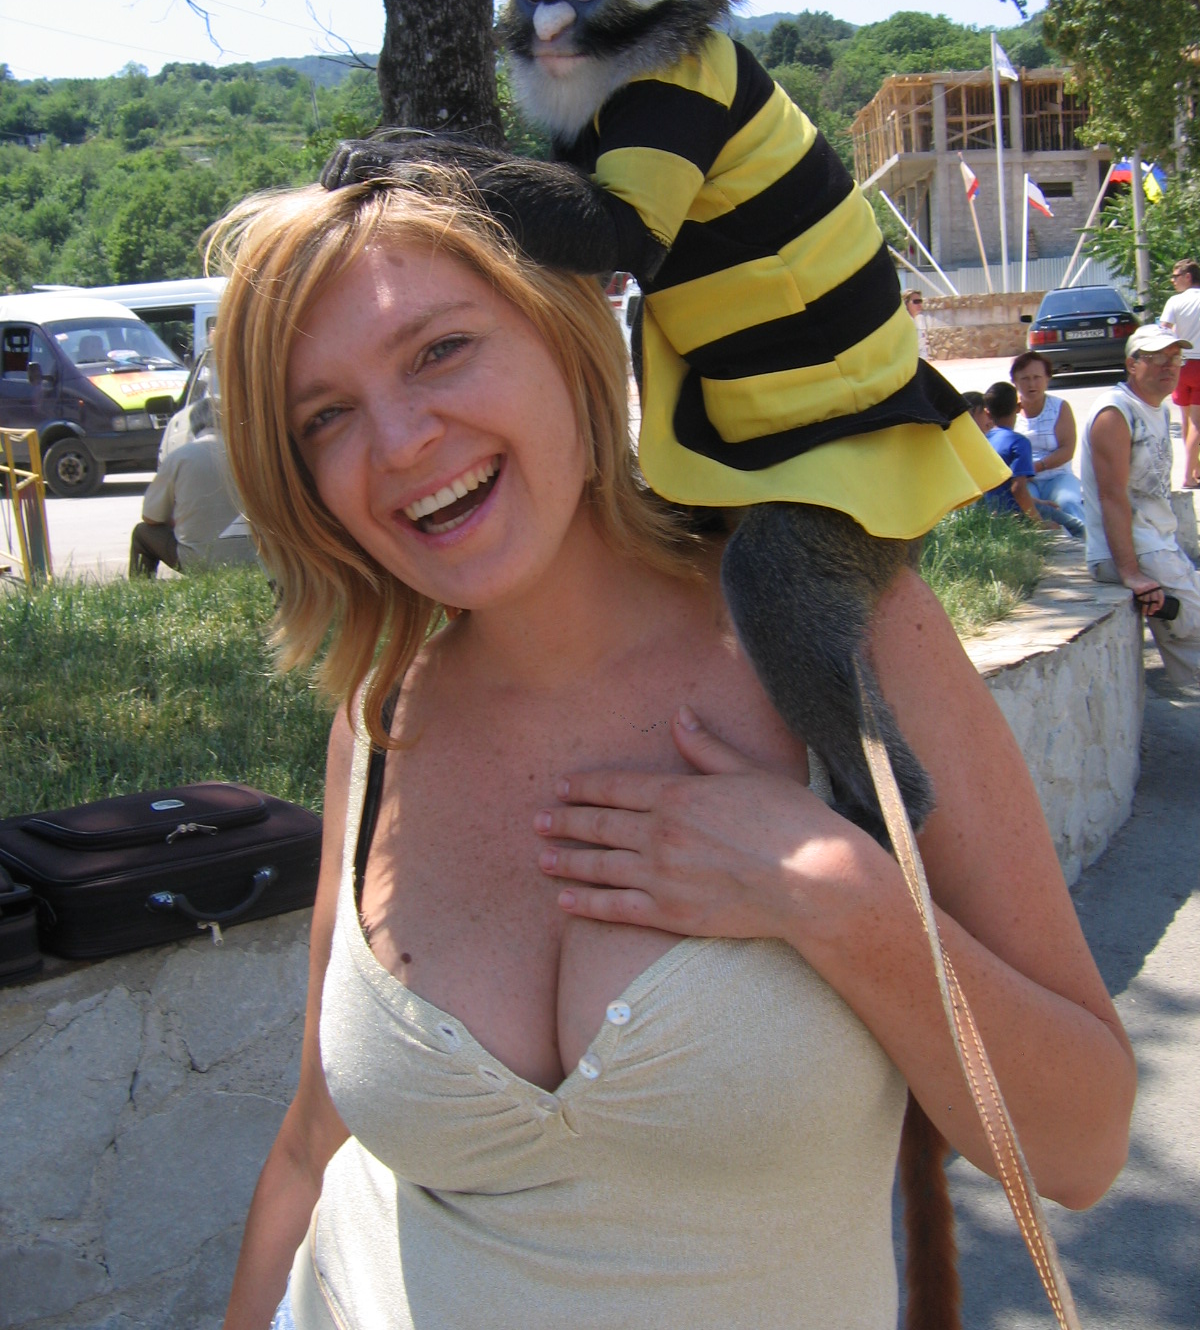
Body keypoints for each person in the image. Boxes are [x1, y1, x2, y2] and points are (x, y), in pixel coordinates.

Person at [210, 170, 1133, 1330]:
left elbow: (1084, 1146)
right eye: (326, 416)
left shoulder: (846, 637)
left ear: (569, 335)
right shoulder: (378, 721)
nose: (398, 444)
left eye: (440, 350)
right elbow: (312, 1145)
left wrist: (844, 903)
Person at [1081, 323, 1200, 685]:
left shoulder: (1157, 409)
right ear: (1132, 364)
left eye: (1176, 358)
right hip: (1136, 553)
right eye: (1158, 358)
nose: (1170, 366)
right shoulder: (1115, 413)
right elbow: (1112, 496)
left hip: (1159, 546)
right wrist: (1131, 573)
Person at [128, 398, 256, 577]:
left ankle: (142, 585)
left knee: (142, 533)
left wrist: (176, 519)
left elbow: (151, 518)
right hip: (254, 559)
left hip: (198, 561)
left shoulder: (179, 457)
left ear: (193, 426)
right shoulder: (251, 456)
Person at [1010, 351, 1085, 538]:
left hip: (1057, 476)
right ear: (1015, 382)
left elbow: (1067, 449)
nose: (1031, 384)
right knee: (1023, 506)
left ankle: (1085, 543)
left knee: (1069, 503)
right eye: (1025, 378)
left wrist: (1036, 467)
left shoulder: (1060, 407)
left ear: (1047, 379)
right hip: (1024, 481)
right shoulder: (1009, 411)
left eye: (1037, 377)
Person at [1159, 259, 1200, 489]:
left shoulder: (1174, 302)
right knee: (1197, 422)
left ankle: (1195, 469)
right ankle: (1189, 476)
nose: (1172, 281)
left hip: (1180, 364)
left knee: (1186, 420)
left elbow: (1163, 330)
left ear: (1188, 276)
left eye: (1175, 276)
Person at [981, 382, 1045, 524]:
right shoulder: (1019, 442)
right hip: (1015, 517)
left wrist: (1039, 503)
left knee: (1047, 507)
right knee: (1074, 525)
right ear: (1018, 408)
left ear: (987, 413)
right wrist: (1040, 524)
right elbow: (1018, 489)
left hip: (990, 515)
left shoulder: (982, 442)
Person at [902, 286, 930, 358]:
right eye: (916, 302)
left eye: (920, 301)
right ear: (906, 303)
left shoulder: (918, 321)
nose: (919, 304)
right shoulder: (904, 323)